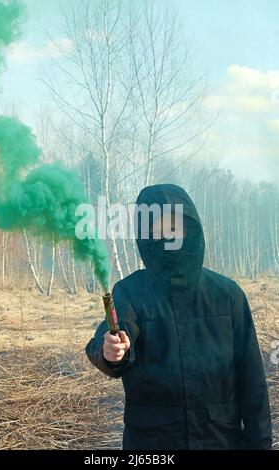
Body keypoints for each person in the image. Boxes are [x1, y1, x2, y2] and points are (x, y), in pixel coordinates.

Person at [85, 184, 272, 450]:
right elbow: (112, 336)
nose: (164, 235)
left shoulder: (227, 295)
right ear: (144, 234)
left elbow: (253, 386)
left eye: (172, 225)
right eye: (155, 228)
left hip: (219, 441)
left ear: (189, 227)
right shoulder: (130, 291)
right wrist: (111, 351)